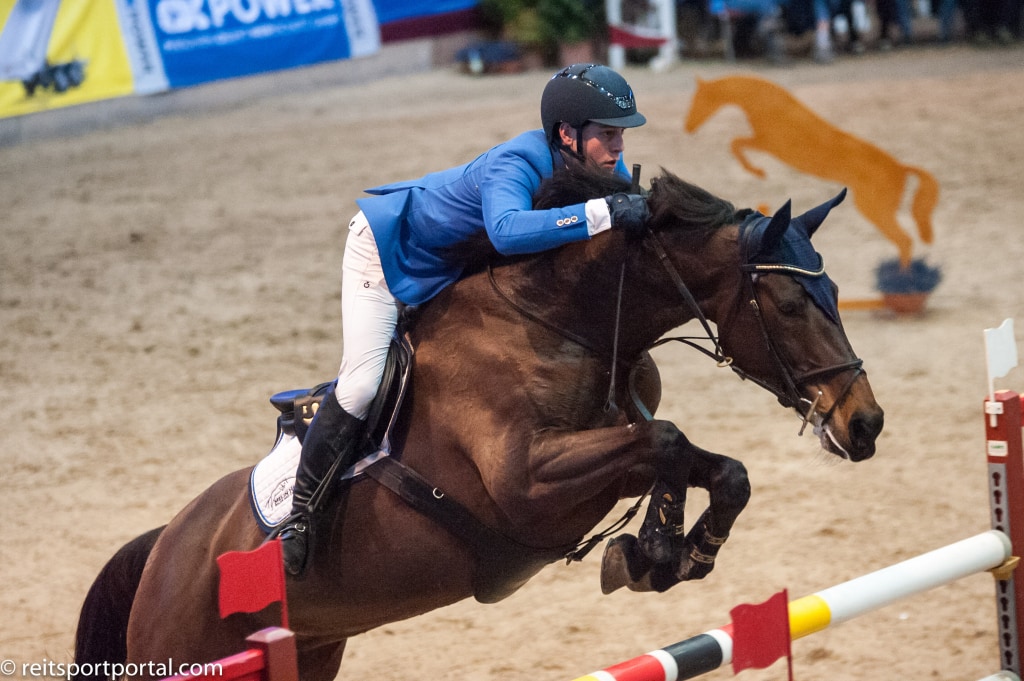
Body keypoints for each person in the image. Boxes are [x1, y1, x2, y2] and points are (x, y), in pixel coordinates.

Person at [278, 63, 652, 578]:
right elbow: (507, 231)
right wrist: (603, 213)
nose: (618, 147)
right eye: (608, 134)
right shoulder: (517, 161)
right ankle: (301, 515)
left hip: (456, 261)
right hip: (387, 254)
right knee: (363, 384)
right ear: (567, 133)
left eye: (622, 135)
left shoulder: (598, 165)